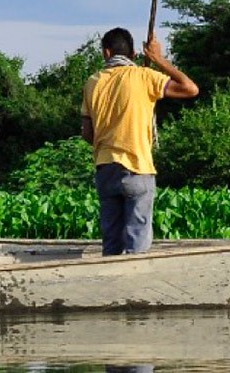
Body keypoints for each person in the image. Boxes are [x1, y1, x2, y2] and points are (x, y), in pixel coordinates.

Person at [81, 27, 199, 256]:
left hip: (105, 168)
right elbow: (190, 88)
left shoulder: (92, 82)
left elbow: (87, 132)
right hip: (136, 166)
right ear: (134, 54)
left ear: (106, 53)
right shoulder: (144, 76)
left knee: (111, 243)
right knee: (138, 243)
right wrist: (159, 59)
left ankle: (112, 282)